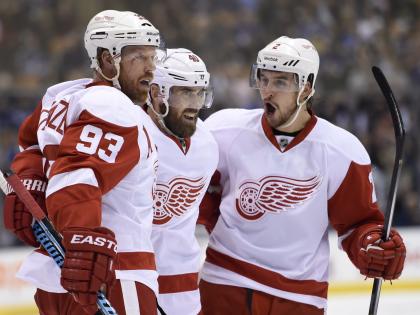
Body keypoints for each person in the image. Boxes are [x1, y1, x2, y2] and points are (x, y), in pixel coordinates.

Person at [197, 36, 406, 315]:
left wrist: (372, 246)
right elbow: (196, 191)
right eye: (264, 79)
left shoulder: (341, 151)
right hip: (226, 283)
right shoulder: (224, 131)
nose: (267, 91)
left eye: (280, 82)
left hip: (300, 298)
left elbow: (358, 224)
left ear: (306, 88)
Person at [4, 10, 162, 315]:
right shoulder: (111, 104)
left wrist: (31, 181)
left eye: (153, 56)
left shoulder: (60, 97)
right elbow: (77, 176)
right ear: (107, 60)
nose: (150, 68)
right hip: (111, 274)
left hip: (59, 276)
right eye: (138, 57)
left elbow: (32, 146)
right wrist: (83, 241)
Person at [147, 48, 218, 315]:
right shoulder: (133, 133)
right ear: (157, 92)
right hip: (133, 277)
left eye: (199, 92)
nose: (195, 103)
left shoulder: (207, 145)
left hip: (186, 283)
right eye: (185, 92)